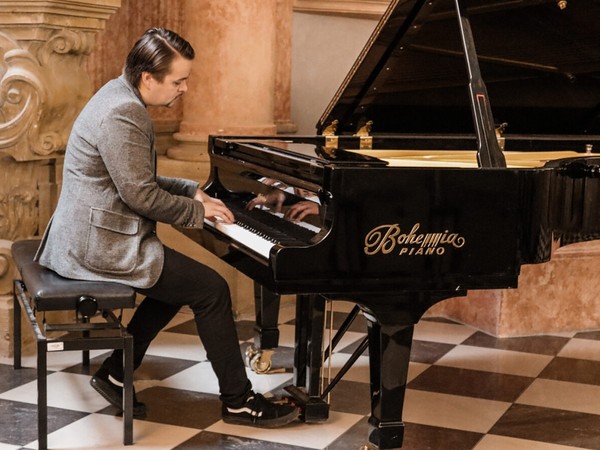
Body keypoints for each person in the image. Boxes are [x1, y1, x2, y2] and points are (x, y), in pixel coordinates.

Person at [35, 27, 299, 429]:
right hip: (96, 244)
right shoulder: (124, 113)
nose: (184, 89)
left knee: (180, 283)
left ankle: (116, 372)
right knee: (211, 289)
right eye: (178, 81)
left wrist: (192, 190)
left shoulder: (117, 94)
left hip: (87, 234)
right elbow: (140, 195)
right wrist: (200, 213)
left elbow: (134, 178)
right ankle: (239, 402)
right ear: (148, 78)